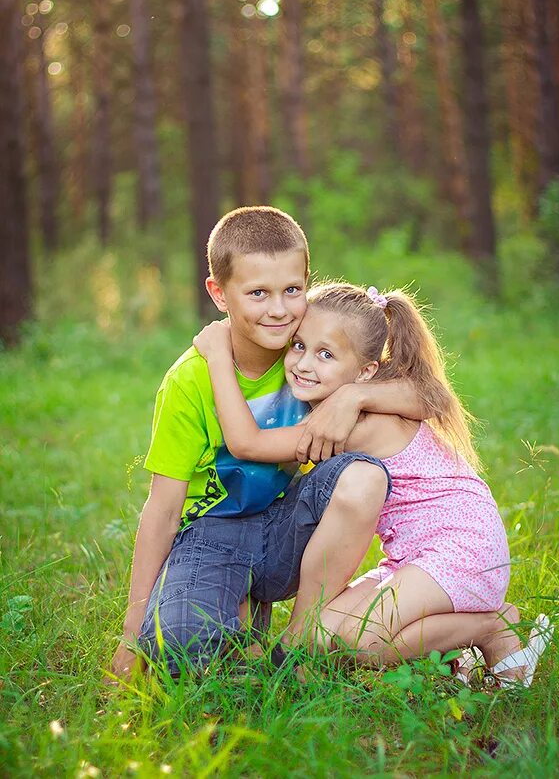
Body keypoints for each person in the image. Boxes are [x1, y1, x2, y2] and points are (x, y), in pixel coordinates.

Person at [110, 207, 427, 680]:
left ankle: (303, 641)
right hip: (209, 536)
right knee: (181, 653)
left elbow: (424, 396)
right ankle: (237, 610)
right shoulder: (189, 382)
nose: (278, 309)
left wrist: (357, 394)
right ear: (219, 294)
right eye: (258, 293)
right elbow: (162, 509)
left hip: (288, 525)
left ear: (306, 284)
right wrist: (132, 633)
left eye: (292, 290)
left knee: (362, 473)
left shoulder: (307, 351)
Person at [193, 282, 553, 686]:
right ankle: (452, 643)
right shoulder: (360, 400)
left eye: (325, 354)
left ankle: (493, 626)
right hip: (413, 555)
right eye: (298, 346)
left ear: (365, 372)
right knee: (323, 635)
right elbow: (424, 395)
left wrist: (219, 357)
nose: (304, 364)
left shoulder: (350, 422)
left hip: (462, 546)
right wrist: (354, 394)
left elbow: (247, 444)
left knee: (361, 642)